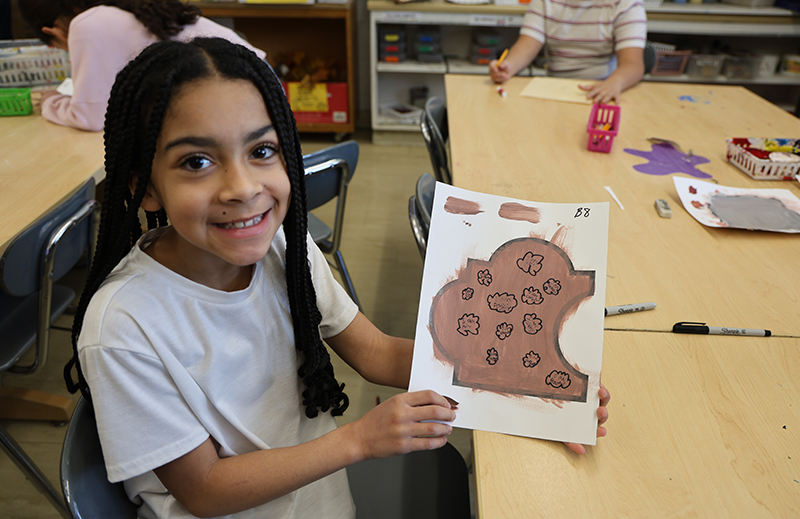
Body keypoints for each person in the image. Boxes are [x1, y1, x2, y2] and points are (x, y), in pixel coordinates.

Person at [65, 37, 611, 518]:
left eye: (261, 151)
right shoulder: (123, 325)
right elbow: (205, 492)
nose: (240, 186)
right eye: (197, 163)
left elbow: (376, 354)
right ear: (147, 187)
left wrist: (537, 386)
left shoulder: (283, 246)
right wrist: (358, 442)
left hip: (324, 501)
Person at [18, 0, 265, 131]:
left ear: (54, 32)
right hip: (258, 88)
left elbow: (90, 118)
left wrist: (50, 101)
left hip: (243, 99)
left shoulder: (87, 23)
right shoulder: (122, 11)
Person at [489, 0, 647, 104]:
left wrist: (615, 83)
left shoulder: (626, 4)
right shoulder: (546, 2)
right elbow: (528, 44)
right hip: (555, 93)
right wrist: (508, 67)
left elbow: (633, 64)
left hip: (603, 92)